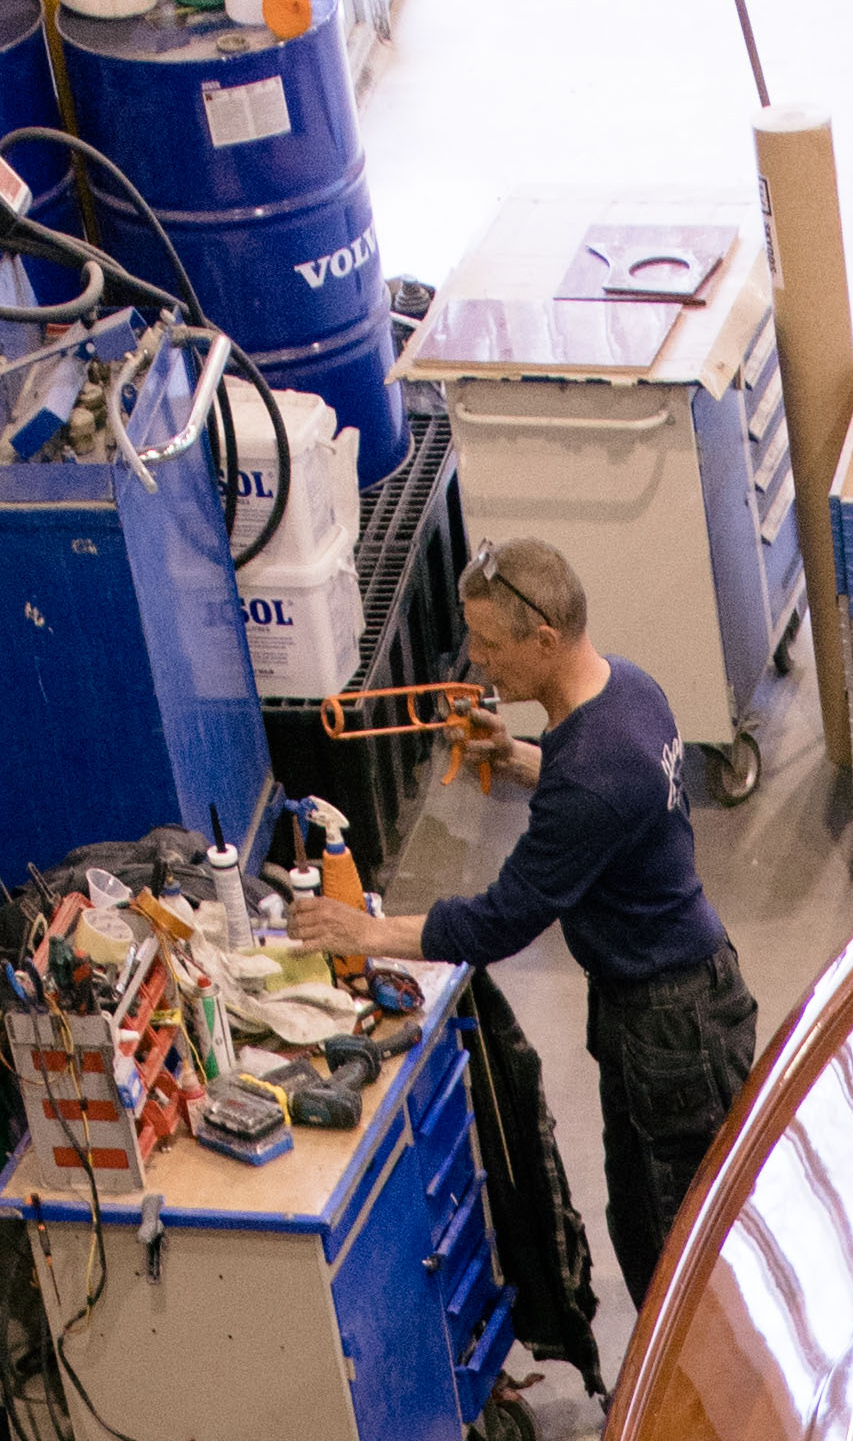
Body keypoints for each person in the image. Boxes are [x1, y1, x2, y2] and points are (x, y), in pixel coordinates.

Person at [315, 533, 756, 1317]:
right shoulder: (630, 692)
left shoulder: (593, 774)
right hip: (677, 996)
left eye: (489, 644)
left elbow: (502, 921)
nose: (477, 662)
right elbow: (609, 809)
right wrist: (519, 757)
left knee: (671, 1242)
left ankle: (690, 1414)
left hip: (668, 1028)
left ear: (544, 638)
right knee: (656, 1213)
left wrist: (364, 933)